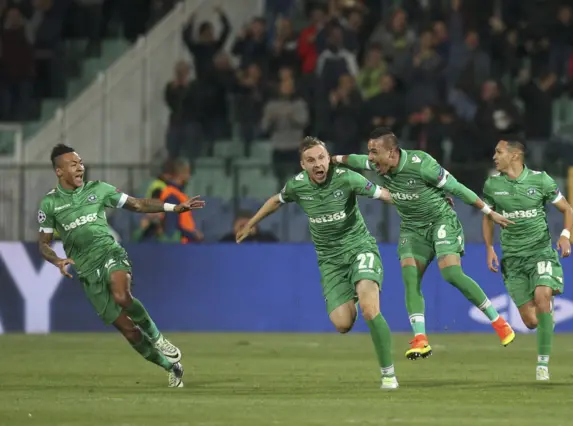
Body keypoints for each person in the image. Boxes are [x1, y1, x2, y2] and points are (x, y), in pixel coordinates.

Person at [333, 128, 516, 361]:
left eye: (374, 152)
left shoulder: (422, 164)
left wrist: (489, 212)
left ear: (391, 153)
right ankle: (420, 339)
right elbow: (353, 159)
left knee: (451, 274)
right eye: (369, 151)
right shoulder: (378, 163)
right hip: (412, 228)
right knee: (410, 278)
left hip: (441, 221)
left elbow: (457, 188)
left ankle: (499, 323)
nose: (370, 158)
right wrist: (331, 159)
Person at [236, 137, 399, 390]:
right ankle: (357, 291)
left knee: (369, 309)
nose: (318, 164)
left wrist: (421, 200)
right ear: (303, 165)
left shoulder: (347, 178)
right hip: (330, 261)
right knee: (342, 324)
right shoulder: (298, 186)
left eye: (322, 158)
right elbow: (275, 201)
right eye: (311, 160)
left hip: (359, 249)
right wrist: (251, 223)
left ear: (328, 158)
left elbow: (385, 195)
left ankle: (388, 374)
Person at [37, 144, 205, 388]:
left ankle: (158, 339)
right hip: (86, 271)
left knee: (122, 294)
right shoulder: (49, 204)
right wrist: (56, 259)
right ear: (59, 171)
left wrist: (173, 208)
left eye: (81, 162)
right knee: (129, 331)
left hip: (109, 253)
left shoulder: (99, 189)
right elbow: (43, 243)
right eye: (73, 164)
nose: (80, 167)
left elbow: (136, 204)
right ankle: (171, 367)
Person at [482, 140, 573, 381]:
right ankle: (545, 318)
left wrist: (565, 236)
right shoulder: (492, 185)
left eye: (498, 152)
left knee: (543, 296)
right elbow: (487, 217)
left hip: (540, 251)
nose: (494, 156)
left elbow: (567, 209)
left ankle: (542, 365)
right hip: (512, 258)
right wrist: (490, 248)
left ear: (515, 155)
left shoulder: (540, 180)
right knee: (531, 322)